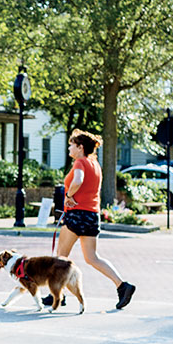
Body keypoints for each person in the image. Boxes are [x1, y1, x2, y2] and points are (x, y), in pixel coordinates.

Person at [44, 129, 135, 309]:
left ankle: (57, 296)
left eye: (71, 144)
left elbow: (77, 180)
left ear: (80, 147)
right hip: (92, 215)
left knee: (60, 257)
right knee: (92, 257)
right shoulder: (95, 165)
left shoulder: (80, 163)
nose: (69, 147)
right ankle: (122, 286)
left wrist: (68, 195)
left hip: (76, 215)